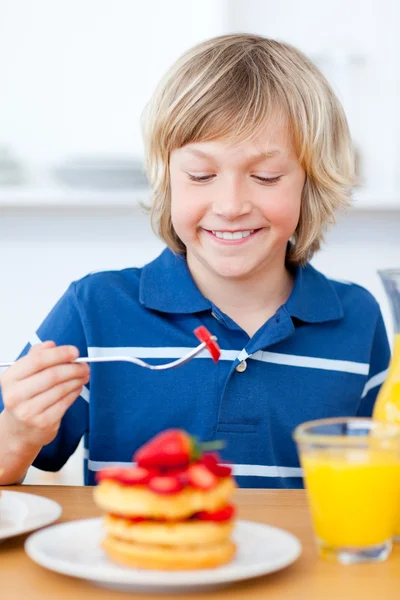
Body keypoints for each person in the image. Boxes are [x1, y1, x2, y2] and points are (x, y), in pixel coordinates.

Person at [0, 34, 390, 488]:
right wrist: (17, 432)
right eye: (201, 175)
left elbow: (378, 483)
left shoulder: (358, 320)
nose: (230, 205)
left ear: (311, 182)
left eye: (265, 176)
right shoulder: (95, 308)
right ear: (167, 179)